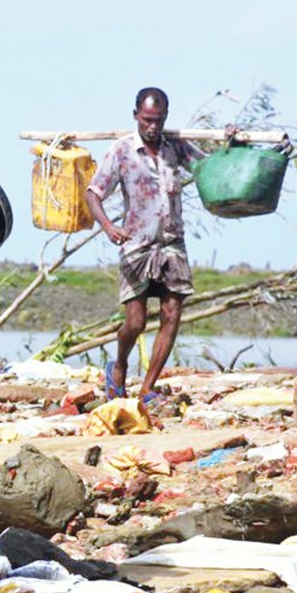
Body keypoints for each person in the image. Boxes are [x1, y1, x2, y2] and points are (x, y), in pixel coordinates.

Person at [85, 88, 234, 403]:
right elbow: (93, 193)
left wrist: (231, 142)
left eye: (159, 121)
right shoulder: (122, 151)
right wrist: (109, 226)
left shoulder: (176, 147)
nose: (153, 127)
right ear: (136, 115)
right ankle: (121, 363)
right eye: (147, 120)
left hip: (171, 243)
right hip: (136, 245)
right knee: (135, 322)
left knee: (171, 312)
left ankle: (148, 387)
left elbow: (211, 169)